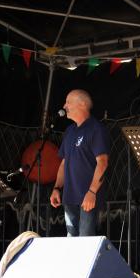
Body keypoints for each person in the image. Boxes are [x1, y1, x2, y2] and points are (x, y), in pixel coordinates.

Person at [49, 89, 110, 236]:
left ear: (82, 104)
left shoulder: (96, 129)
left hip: (88, 198)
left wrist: (92, 192)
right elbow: (64, 163)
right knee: (72, 241)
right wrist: (57, 188)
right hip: (69, 197)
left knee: (85, 239)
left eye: (68, 102)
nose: (64, 106)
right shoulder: (69, 131)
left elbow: (102, 162)